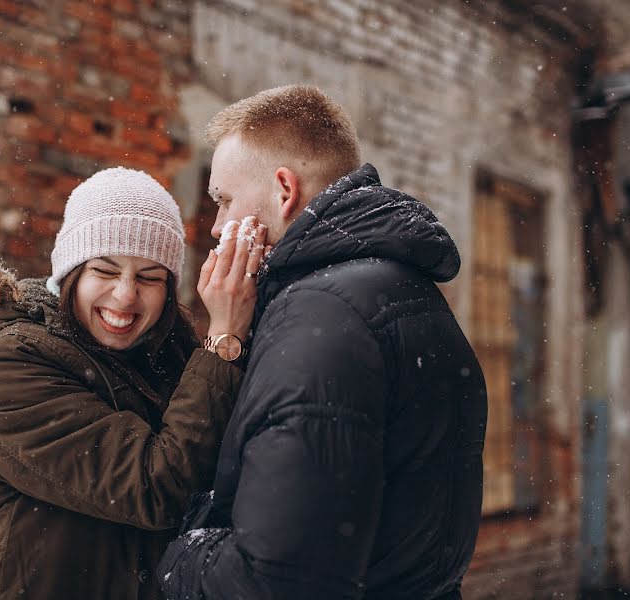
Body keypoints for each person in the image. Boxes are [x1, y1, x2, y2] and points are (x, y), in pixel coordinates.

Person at [157, 85, 488, 600]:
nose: (218, 227)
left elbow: (275, 581)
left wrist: (172, 553)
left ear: (284, 190)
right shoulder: (402, 285)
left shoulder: (320, 315)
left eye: (222, 200)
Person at [0, 167, 267, 600]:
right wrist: (225, 337)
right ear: (70, 271)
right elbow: (157, 486)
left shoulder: (169, 355)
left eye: (150, 277)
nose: (126, 296)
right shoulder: (13, 363)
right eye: (105, 271)